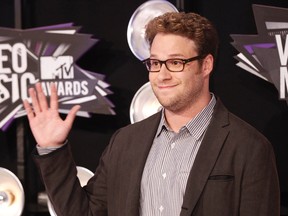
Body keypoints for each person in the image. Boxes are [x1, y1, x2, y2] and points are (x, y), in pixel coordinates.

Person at [23, 12, 280, 216]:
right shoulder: (125, 142)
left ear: (206, 65)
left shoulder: (249, 148)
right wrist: (52, 148)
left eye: (176, 62)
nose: (162, 75)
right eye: (155, 63)